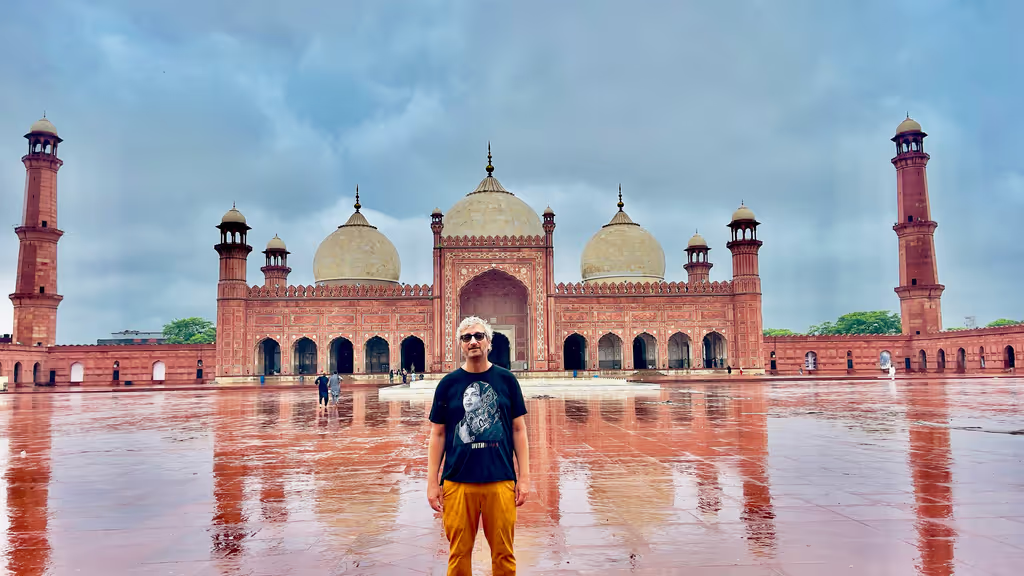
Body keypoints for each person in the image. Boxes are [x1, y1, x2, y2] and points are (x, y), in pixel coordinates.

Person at [427, 316, 529, 576]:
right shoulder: (448, 384)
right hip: (458, 482)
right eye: (466, 337)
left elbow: (519, 429)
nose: (473, 341)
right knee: (459, 554)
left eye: (478, 336)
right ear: (460, 344)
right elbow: (437, 434)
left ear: (489, 342)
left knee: (504, 553)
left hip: (500, 480)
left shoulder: (506, 380)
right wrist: (432, 482)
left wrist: (524, 477)